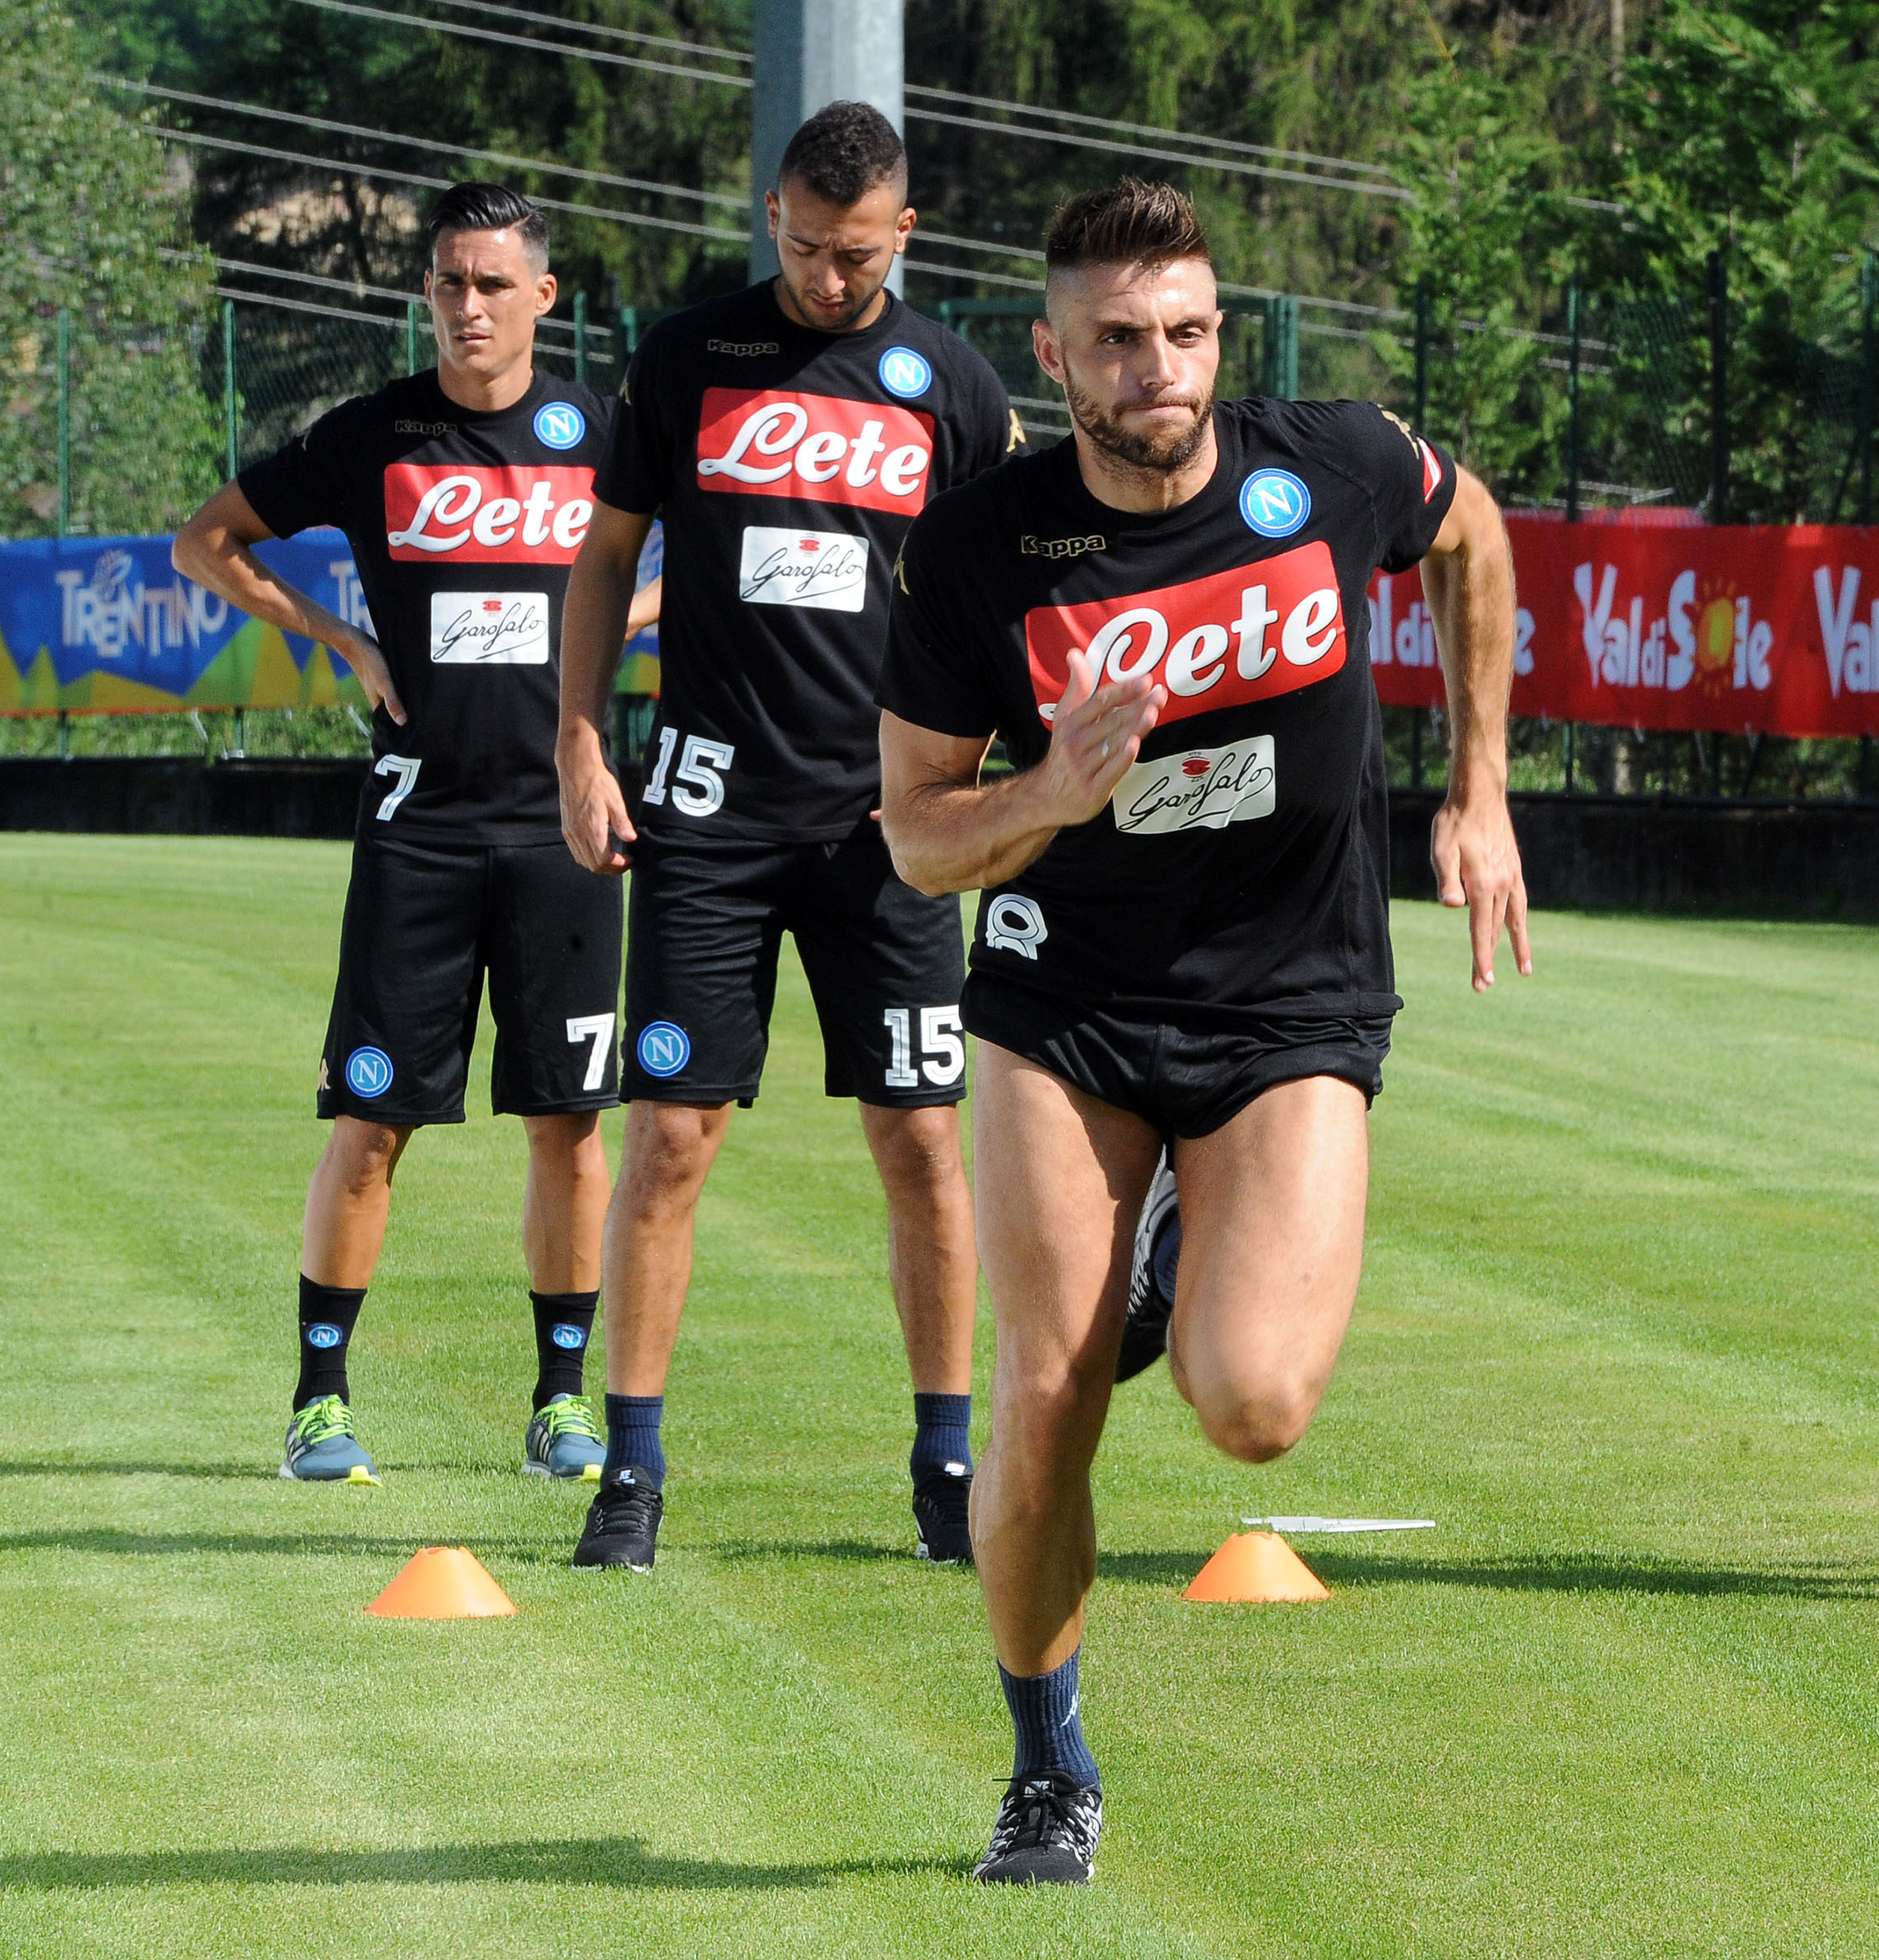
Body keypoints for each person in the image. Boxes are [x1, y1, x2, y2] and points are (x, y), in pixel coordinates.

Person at [876, 178, 1529, 1884]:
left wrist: (1479, 788)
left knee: (1252, 1404)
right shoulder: (980, 547)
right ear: (1052, 354)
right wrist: (1051, 783)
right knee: (1043, 1384)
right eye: (1113, 340)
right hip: (1060, 1002)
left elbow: (1478, 537)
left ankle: (1161, 1258)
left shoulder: (1328, 467)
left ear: (1218, 337)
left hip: (1285, 996)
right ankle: (1045, 1763)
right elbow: (913, 832)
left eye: (1183, 332)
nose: (1154, 368)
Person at [552, 104, 1023, 1570]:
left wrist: (995, 780)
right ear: (772, 218)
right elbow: (606, 555)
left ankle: (948, 1463)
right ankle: (630, 1468)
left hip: (893, 826)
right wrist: (578, 734)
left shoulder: (952, 384)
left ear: (908, 234)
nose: (830, 276)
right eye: (809, 249)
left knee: (922, 1143)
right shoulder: (691, 355)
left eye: (859, 252)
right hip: (707, 812)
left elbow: (1017, 588)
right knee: (674, 1137)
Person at [173, 183, 660, 1485]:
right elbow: (203, 541)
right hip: (420, 830)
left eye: (493, 284)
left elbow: (713, 555)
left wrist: (632, 615)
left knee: (567, 1123)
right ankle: (318, 1402)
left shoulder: (606, 435)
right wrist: (332, 634)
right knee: (372, 1122)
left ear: (541, 298)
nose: (467, 306)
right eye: (448, 281)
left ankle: (562, 1403)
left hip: (569, 819)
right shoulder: (378, 432)